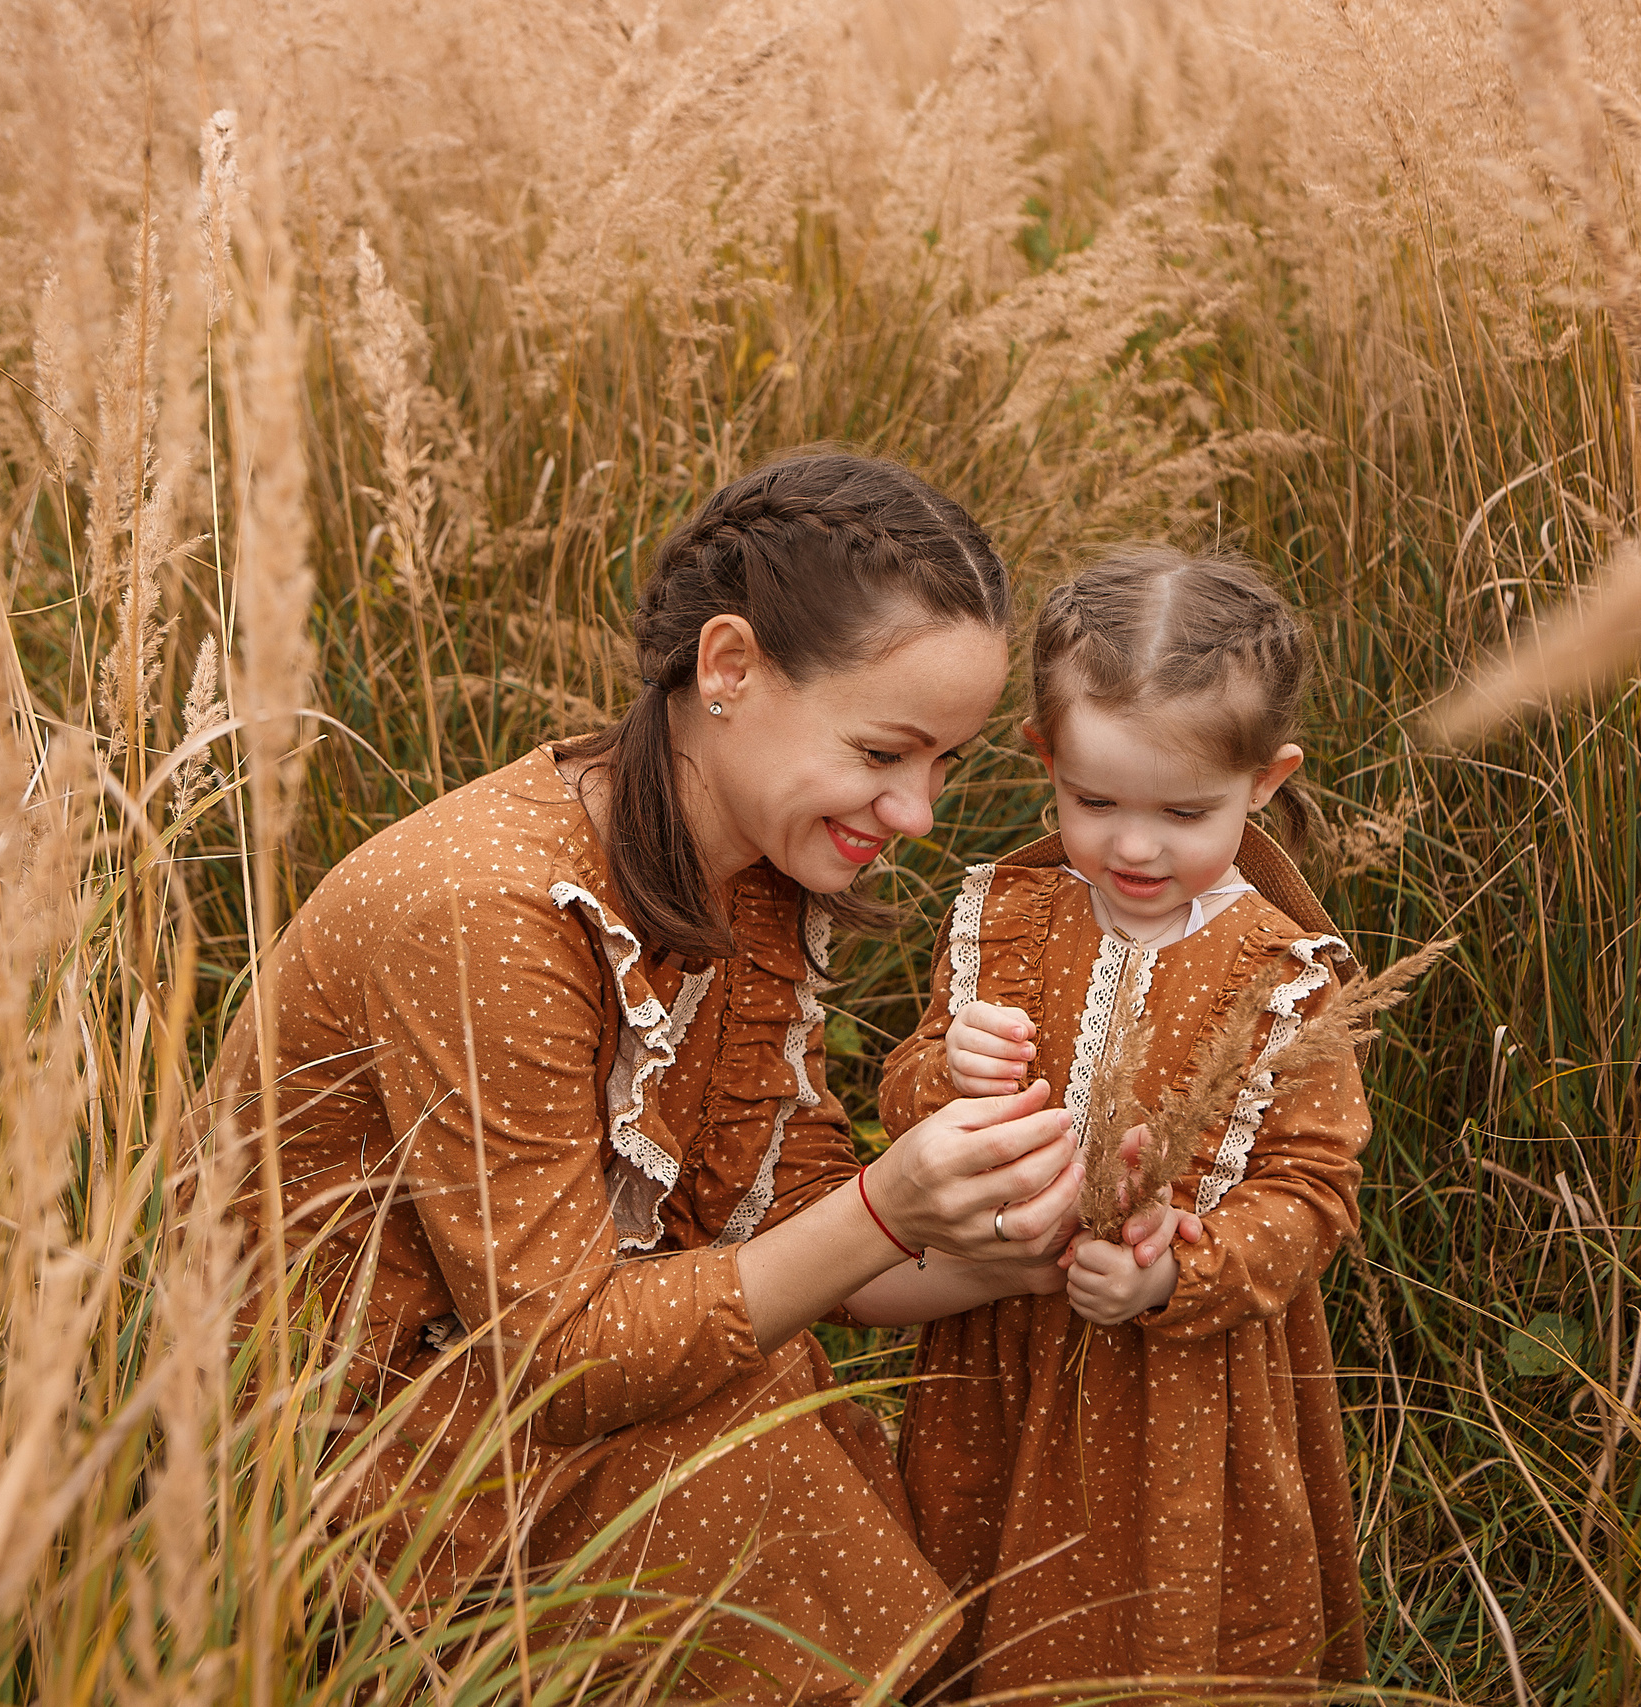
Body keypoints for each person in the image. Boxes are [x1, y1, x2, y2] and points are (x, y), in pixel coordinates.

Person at [196, 452, 1177, 1701]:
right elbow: (562, 1358)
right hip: (346, 1460)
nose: (918, 812)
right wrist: (889, 1210)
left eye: (944, 763)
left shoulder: (753, 871)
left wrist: (1036, 1245)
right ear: (727, 669)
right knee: (744, 1449)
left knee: (775, 1408)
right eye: (884, 751)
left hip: (536, 1402)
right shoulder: (489, 912)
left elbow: (794, 1226)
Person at [878, 545, 1374, 1693]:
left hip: (1183, 1376)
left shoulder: (1283, 975)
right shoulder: (1008, 916)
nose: (1134, 846)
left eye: (1184, 810)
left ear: (1264, 780)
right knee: (982, 1571)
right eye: (1094, 802)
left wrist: (1174, 1277)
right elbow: (903, 1095)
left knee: (1165, 1608)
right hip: (997, 1341)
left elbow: (1312, 1193)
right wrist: (943, 1071)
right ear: (1043, 757)